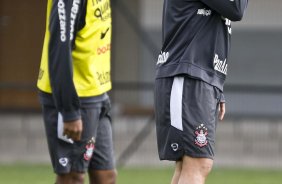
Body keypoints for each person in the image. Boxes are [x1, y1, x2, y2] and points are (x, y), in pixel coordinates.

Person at [155, 0, 248, 184]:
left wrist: (216, 85)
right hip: (188, 76)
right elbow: (236, 9)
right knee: (198, 163)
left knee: (189, 165)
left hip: (199, 77)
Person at [37, 0, 116, 183]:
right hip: (75, 95)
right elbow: (59, 47)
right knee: (73, 176)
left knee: (106, 176)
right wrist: (69, 111)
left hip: (97, 91)